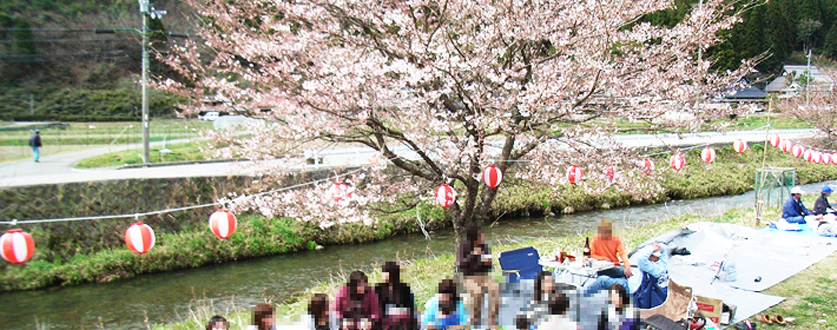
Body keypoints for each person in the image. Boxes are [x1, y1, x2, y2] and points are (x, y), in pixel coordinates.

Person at [458, 225, 499, 329]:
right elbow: (462, 265)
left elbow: (489, 267)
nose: (483, 237)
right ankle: (475, 318)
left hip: (483, 275)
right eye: (481, 236)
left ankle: (492, 319)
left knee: (495, 289)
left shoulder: (484, 247)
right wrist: (473, 255)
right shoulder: (465, 247)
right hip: (469, 276)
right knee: (477, 292)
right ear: (474, 237)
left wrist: (487, 263)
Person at [584, 220, 631, 296]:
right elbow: (591, 254)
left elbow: (622, 254)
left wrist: (627, 266)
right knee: (620, 274)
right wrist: (602, 258)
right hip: (602, 268)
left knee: (622, 273)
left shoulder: (615, 240)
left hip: (614, 266)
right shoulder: (595, 240)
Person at [375, 261, 417, 330]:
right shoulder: (378, 290)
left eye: (386, 272)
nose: (383, 275)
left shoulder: (405, 290)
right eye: (383, 272)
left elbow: (410, 310)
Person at [627, 243, 669, 309]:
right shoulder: (663, 264)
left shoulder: (651, 268)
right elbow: (664, 252)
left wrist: (651, 249)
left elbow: (641, 259)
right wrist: (659, 247)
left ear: (654, 258)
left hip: (634, 289)